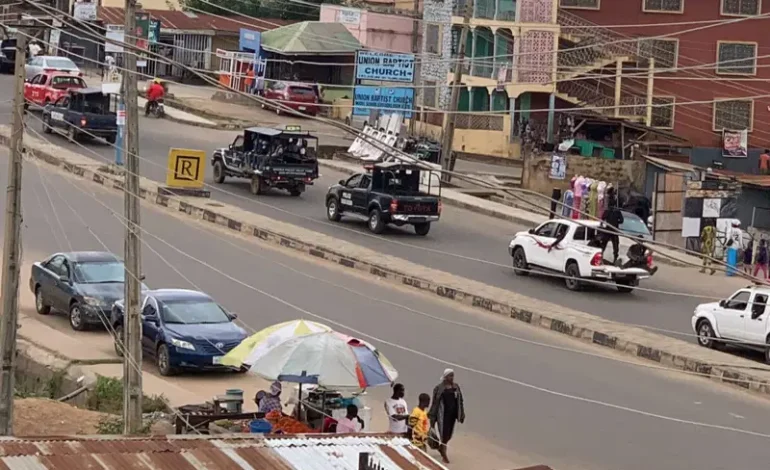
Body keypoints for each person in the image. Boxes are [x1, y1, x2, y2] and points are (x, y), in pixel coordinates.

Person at [429, 369, 465, 464]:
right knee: (444, 434)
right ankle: (444, 454)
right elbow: (435, 403)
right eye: (450, 376)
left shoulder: (456, 387)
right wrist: (432, 417)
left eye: (453, 376)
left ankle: (441, 447)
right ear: (445, 377)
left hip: (452, 415)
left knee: (449, 435)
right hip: (443, 415)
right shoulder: (439, 388)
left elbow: (460, 401)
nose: (452, 378)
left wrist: (461, 414)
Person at [601, 199, 624, 264]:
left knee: (604, 244)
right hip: (614, 230)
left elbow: (602, 219)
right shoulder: (617, 211)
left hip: (608, 230)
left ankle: (601, 255)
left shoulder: (607, 211)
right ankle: (615, 258)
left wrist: (607, 222)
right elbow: (622, 220)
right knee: (615, 245)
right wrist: (616, 222)